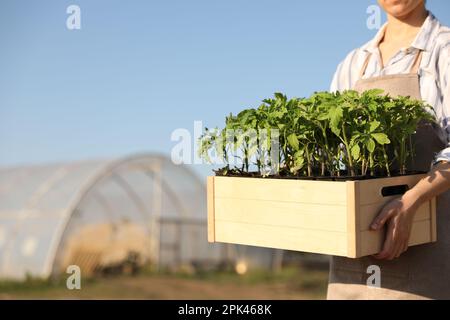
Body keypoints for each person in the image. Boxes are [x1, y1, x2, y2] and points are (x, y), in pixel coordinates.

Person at [328, 0, 450, 299]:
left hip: (426, 249)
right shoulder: (356, 62)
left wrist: (411, 203)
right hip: (353, 265)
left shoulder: (443, 51)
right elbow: (331, 150)